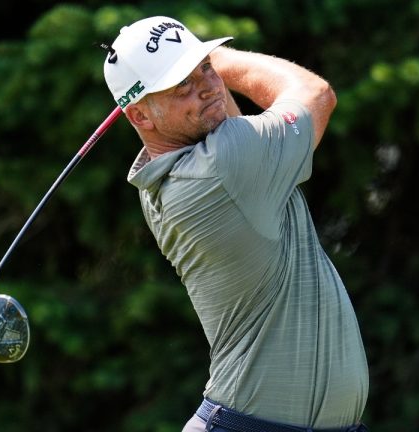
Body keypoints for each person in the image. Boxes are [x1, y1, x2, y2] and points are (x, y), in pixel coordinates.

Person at [103, 16, 369, 432]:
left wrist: (193, 65)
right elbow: (316, 94)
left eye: (205, 69)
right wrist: (221, 59)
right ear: (140, 115)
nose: (208, 86)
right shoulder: (220, 169)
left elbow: (223, 119)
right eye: (181, 85)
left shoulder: (183, 167)